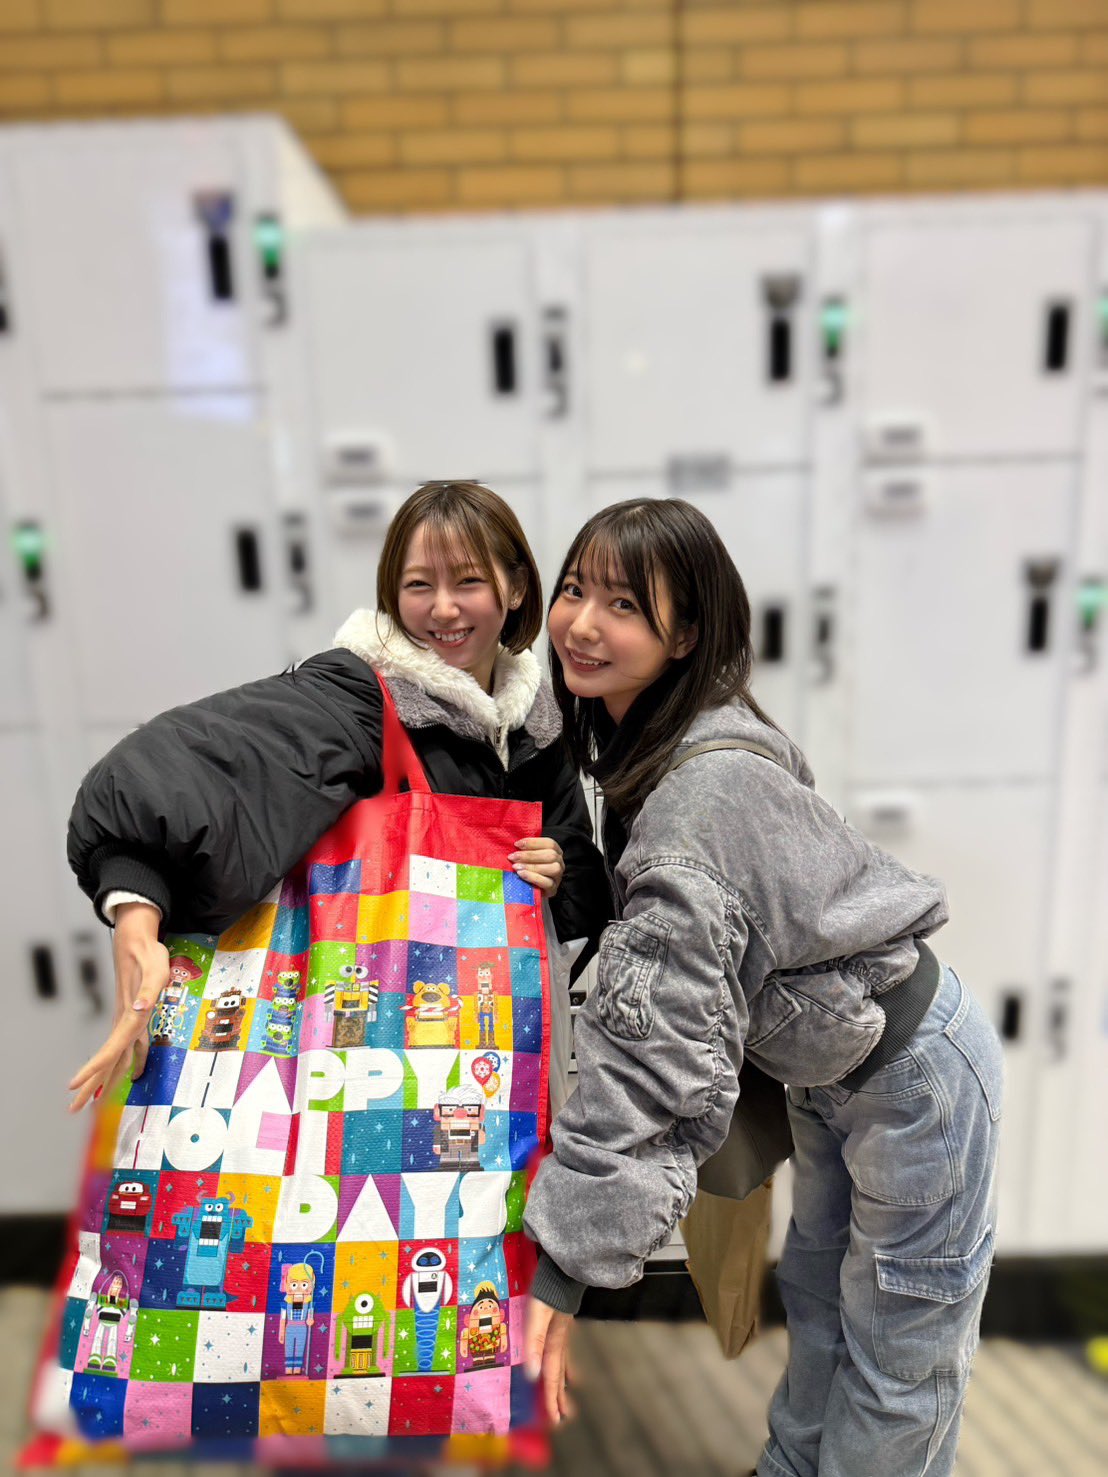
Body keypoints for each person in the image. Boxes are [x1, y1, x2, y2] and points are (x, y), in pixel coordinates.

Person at [523, 498, 1002, 1477]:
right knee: (822, 1306)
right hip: (833, 1073)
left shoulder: (697, 796)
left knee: (900, 1356)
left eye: (623, 604)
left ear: (685, 634)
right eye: (574, 590)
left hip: (913, 1078)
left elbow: (647, 1061)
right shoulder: (670, 733)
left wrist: (563, 1269)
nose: (581, 623)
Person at [66, 479, 608, 1112]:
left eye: (467, 582)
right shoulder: (354, 698)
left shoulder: (537, 720)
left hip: (502, 1042)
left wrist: (558, 871)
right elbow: (174, 767)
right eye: (418, 585)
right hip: (371, 1050)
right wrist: (135, 908)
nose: (443, 609)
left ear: (514, 588)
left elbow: (584, 887)